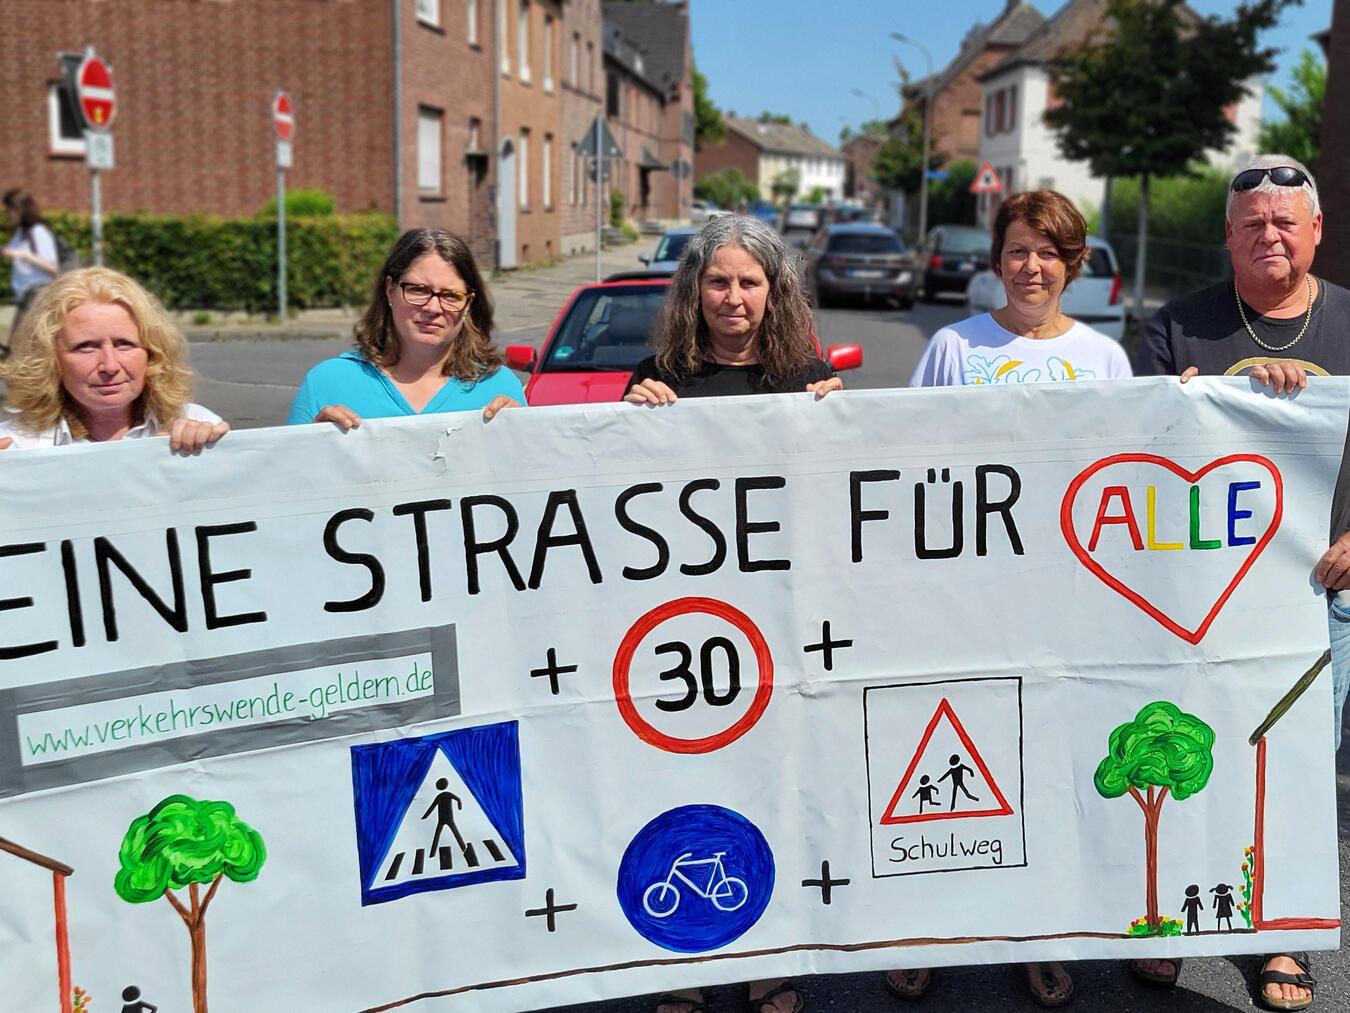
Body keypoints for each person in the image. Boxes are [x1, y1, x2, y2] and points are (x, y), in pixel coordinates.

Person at [896, 190, 1131, 1009]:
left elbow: (1124, 484)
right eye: (1019, 249)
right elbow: (905, 466)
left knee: (1044, 771)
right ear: (997, 260)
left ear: (1075, 262)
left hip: (1062, 603)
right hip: (964, 601)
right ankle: (924, 929)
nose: (1033, 266)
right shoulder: (955, 347)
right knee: (946, 766)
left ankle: (1039, 933)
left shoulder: (1106, 360)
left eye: (1050, 250)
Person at [1135, 154, 1338, 1012]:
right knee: (1180, 760)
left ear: (1316, 230)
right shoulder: (1172, 328)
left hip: (1323, 594)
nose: (1270, 236)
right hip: (1193, 597)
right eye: (1252, 222)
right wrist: (1173, 411)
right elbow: (1126, 452)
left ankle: (1279, 939)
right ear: (1226, 235)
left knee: (1293, 769)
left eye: (1286, 221)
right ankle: (1174, 919)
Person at [625, 213, 840, 1013]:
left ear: (773, 290)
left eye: (750, 281)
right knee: (680, 792)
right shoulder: (658, 374)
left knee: (773, 790)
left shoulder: (803, 376)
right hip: (680, 633)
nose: (734, 296)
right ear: (694, 289)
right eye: (718, 281)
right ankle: (682, 968)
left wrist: (841, 421)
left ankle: (769, 962)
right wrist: (629, 416)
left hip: (776, 631)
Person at [288, 228, 522, 428]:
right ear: (390, 290)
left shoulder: (499, 386)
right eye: (418, 290)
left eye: (451, 295)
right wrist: (313, 446)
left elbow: (531, 478)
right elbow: (287, 478)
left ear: (468, 303)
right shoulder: (328, 382)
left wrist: (523, 437)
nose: (433, 307)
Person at [0, 266, 228, 452]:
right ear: (50, 360)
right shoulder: (17, 446)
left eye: (124, 344)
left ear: (152, 353)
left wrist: (218, 457)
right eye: (86, 347)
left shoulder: (196, 425)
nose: (110, 365)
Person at [3, 188, 60, 354]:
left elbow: (53, 267)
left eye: (10, 210)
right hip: (24, 295)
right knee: (23, 345)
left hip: (36, 292)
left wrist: (24, 254)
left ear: (20, 209)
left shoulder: (38, 232)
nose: (8, 214)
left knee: (19, 345)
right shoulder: (21, 233)